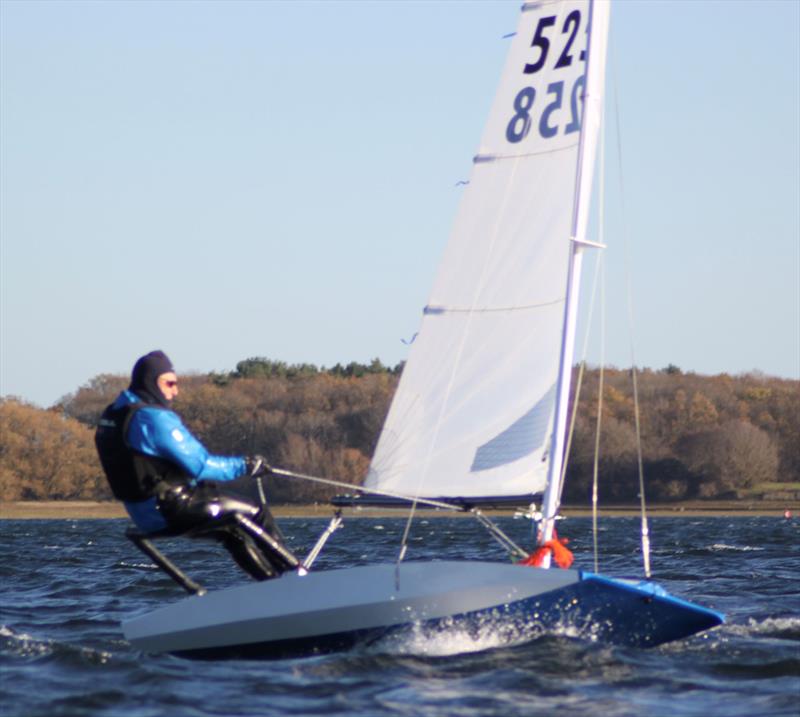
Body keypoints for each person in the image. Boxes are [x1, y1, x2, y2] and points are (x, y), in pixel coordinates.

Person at [95, 350, 297, 580]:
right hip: (173, 508)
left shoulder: (115, 413)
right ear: (151, 382)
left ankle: (272, 586)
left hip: (143, 515)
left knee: (233, 533)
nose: (175, 391)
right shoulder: (151, 418)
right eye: (169, 383)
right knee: (256, 512)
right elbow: (200, 466)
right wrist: (246, 465)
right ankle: (294, 579)